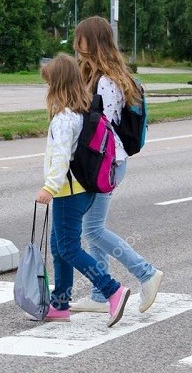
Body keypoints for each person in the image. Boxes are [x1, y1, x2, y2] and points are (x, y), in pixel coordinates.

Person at [70, 16, 163, 314]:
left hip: (106, 162)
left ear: (93, 41)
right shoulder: (99, 76)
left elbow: (103, 128)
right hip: (105, 161)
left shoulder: (106, 82)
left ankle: (146, 273)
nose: (76, 44)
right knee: (92, 226)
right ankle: (99, 294)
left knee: (94, 229)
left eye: (81, 38)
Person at [37, 53, 130, 327]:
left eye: (49, 84)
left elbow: (62, 157)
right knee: (59, 247)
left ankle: (112, 289)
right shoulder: (83, 112)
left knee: (68, 248)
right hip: (84, 189)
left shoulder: (64, 119)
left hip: (68, 191)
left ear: (57, 85)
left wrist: (48, 188)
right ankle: (60, 303)